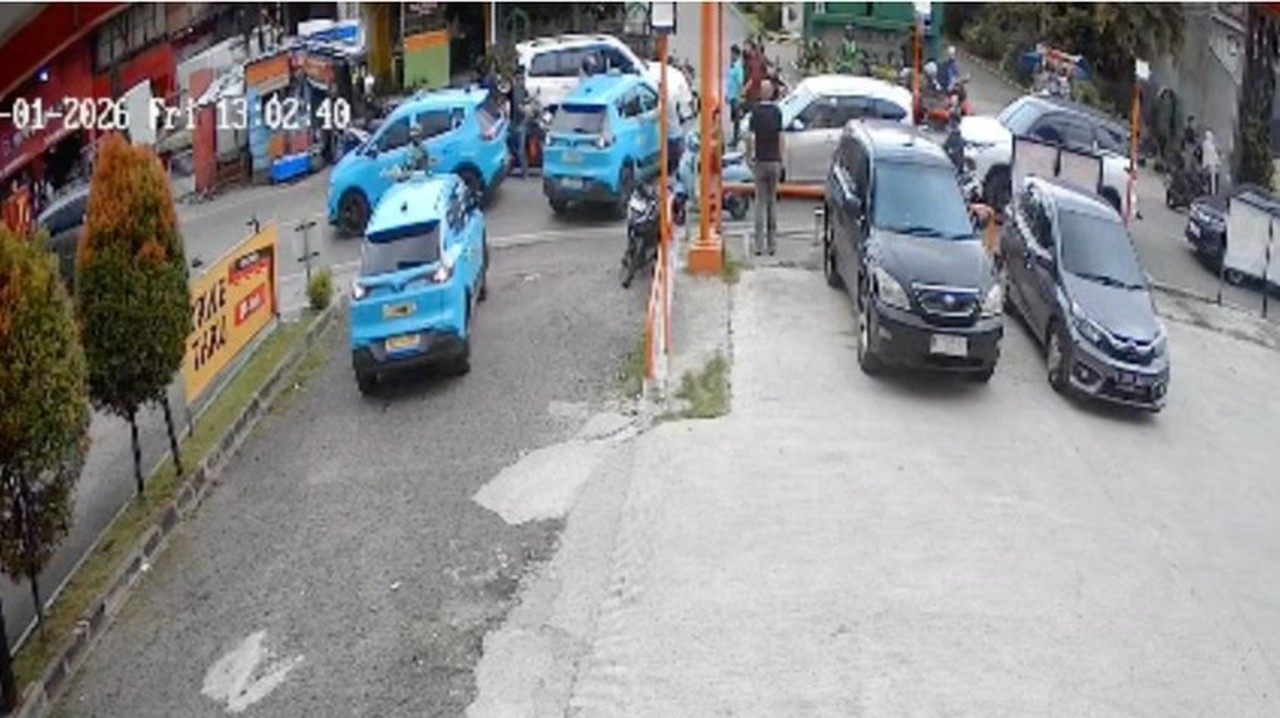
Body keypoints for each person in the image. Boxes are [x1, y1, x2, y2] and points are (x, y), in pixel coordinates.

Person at [746, 79, 783, 256]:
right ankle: (772, 245)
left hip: (760, 161)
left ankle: (759, 246)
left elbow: (751, 138)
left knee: (759, 203)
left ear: (761, 93)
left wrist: (750, 157)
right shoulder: (777, 112)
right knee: (772, 202)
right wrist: (780, 159)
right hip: (774, 161)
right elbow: (781, 137)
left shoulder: (755, 113)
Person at [509, 65, 531, 178]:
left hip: (521, 123)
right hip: (517, 124)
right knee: (520, 149)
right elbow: (518, 106)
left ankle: (523, 171)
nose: (523, 81)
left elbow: (526, 100)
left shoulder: (522, 89)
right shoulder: (517, 90)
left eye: (523, 78)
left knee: (518, 148)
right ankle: (524, 172)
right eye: (521, 78)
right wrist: (527, 112)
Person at [727, 45, 745, 148]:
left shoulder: (738, 67)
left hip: (736, 97)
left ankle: (736, 139)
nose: (731, 55)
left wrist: (739, 97)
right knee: (734, 119)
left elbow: (739, 83)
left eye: (732, 53)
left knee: (737, 120)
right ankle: (735, 138)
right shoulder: (733, 65)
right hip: (732, 96)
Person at [1202, 129, 1221, 196]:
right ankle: (1211, 193)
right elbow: (1206, 155)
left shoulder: (1213, 144)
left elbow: (1217, 153)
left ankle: (1215, 192)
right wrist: (1205, 164)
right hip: (1210, 164)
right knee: (1210, 180)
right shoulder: (1206, 144)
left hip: (1215, 164)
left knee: (1215, 179)